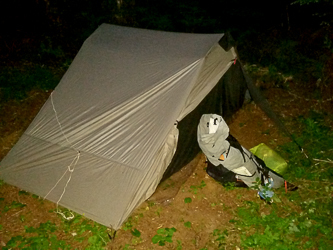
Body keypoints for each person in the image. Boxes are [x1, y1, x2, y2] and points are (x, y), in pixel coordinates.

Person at [197, 114, 291, 200]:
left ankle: (271, 181)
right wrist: (259, 183)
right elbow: (247, 172)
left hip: (225, 157)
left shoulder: (204, 128)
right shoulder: (227, 154)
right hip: (234, 162)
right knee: (251, 172)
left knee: (253, 164)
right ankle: (268, 186)